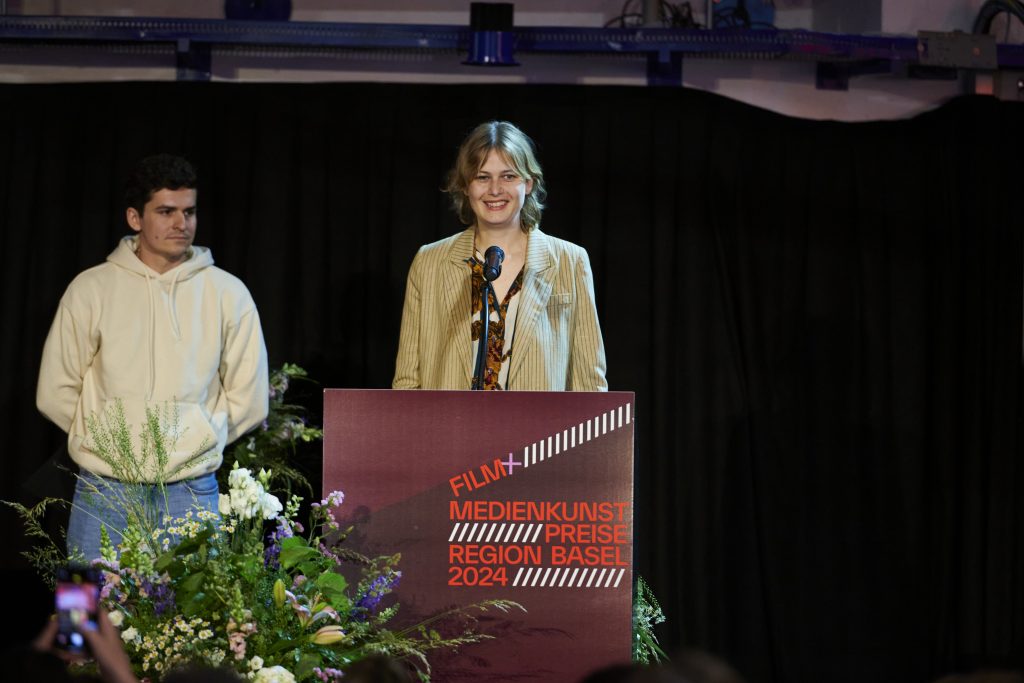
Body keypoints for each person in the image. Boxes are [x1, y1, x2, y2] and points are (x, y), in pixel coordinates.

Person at [37, 153, 269, 561]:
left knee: (198, 621)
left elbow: (249, 399)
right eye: (166, 211)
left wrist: (197, 442)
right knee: (84, 615)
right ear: (134, 217)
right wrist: (104, 441)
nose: (182, 223)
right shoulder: (90, 288)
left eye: (189, 211)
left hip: (192, 489)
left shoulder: (228, 293)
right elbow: (55, 389)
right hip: (102, 487)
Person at [393, 120, 607, 391]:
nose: (495, 189)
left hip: (539, 431)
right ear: (466, 186)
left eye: (508, 176)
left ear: (528, 183)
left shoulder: (569, 261)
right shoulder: (429, 261)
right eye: (482, 177)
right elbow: (407, 381)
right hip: (452, 430)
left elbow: (590, 382)